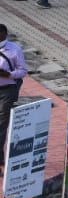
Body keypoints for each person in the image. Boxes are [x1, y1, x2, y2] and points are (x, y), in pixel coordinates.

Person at [0, 24, 29, 161]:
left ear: (3, 34)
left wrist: (9, 75)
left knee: (1, 124)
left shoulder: (15, 49)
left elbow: (23, 71)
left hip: (7, 91)